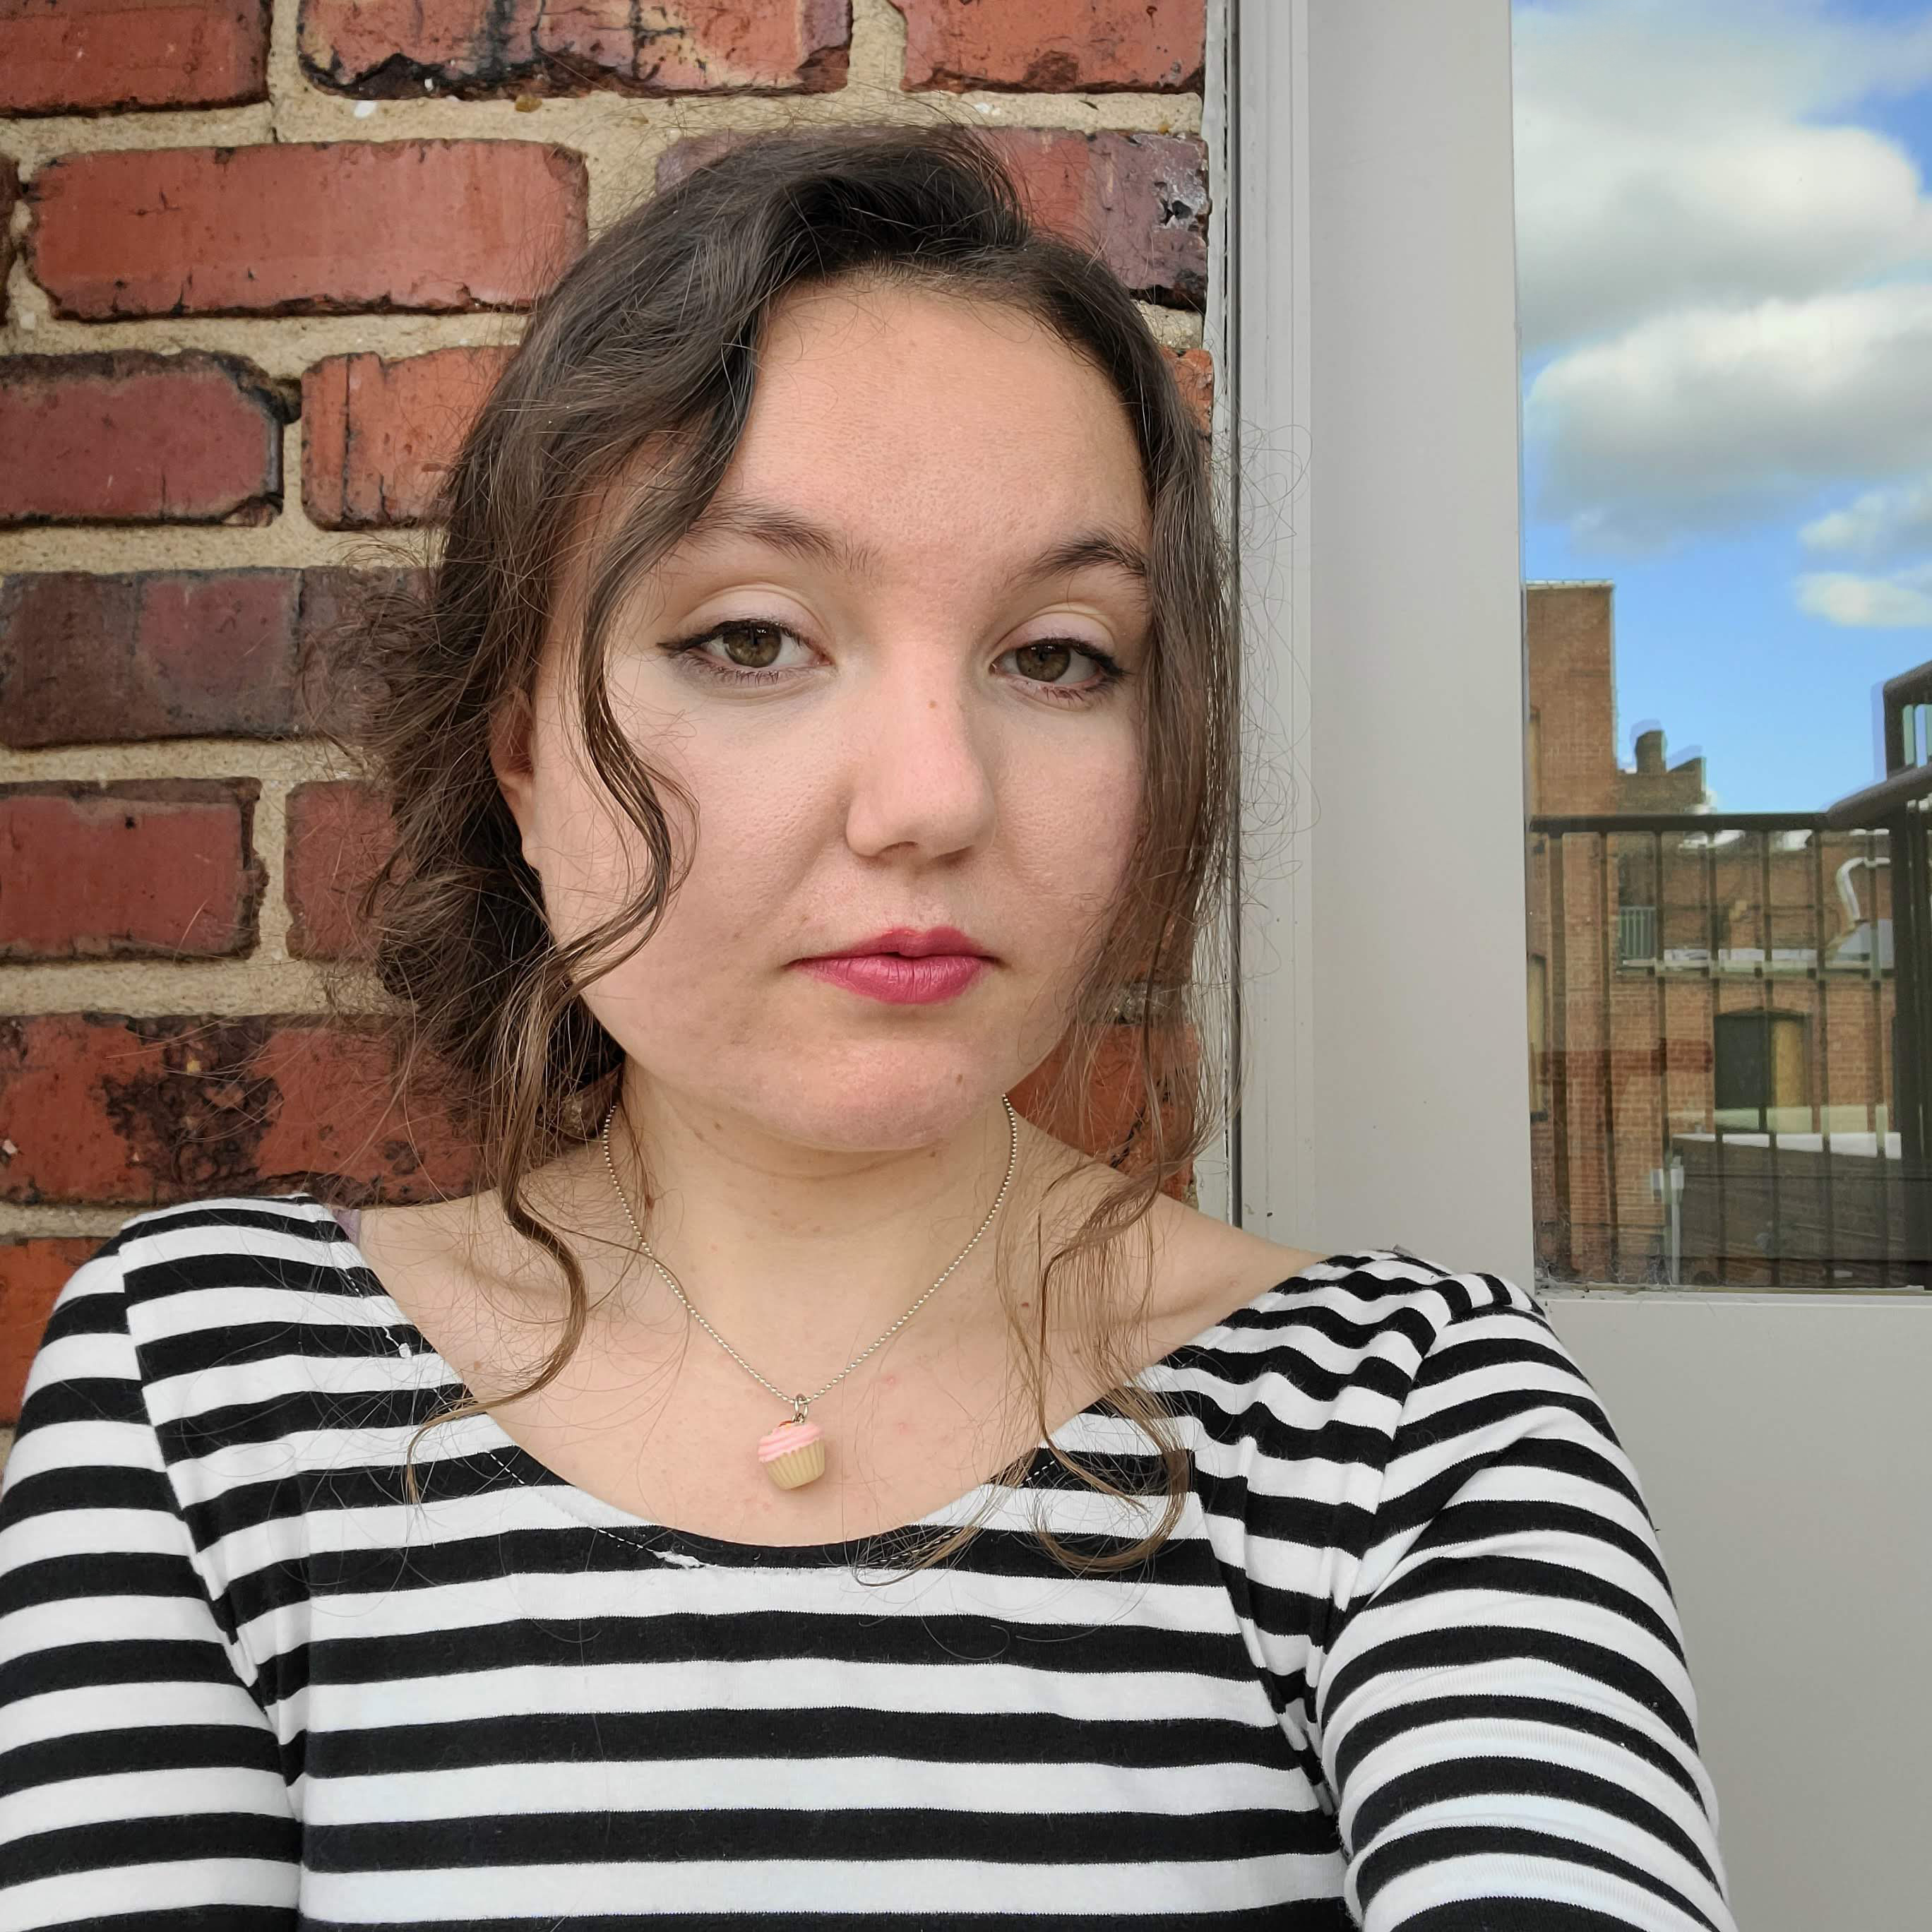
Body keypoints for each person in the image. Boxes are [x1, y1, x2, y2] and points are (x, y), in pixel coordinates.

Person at [0, 126, 1736, 1930]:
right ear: (518, 749)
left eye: (1058, 655)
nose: (930, 798)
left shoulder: (1407, 1427)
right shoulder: (216, 1393)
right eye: (753, 638)